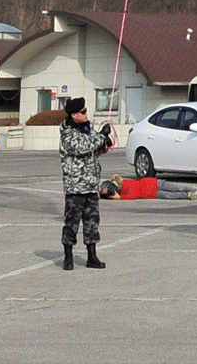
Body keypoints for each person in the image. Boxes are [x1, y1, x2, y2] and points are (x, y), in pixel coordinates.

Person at [56, 98, 113, 271]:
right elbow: (81, 148)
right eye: (83, 112)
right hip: (75, 187)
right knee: (72, 223)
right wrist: (100, 136)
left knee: (92, 223)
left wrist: (104, 144)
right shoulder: (67, 133)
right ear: (74, 115)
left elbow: (93, 150)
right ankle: (68, 256)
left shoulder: (88, 129)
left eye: (86, 111)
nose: (86, 114)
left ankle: (92, 256)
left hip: (90, 185)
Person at [98, 176, 197, 200]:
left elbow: (133, 196)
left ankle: (195, 194)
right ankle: (195, 193)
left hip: (154, 188)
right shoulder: (126, 184)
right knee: (175, 190)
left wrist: (117, 197)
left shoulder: (126, 191)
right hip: (154, 186)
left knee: (174, 192)